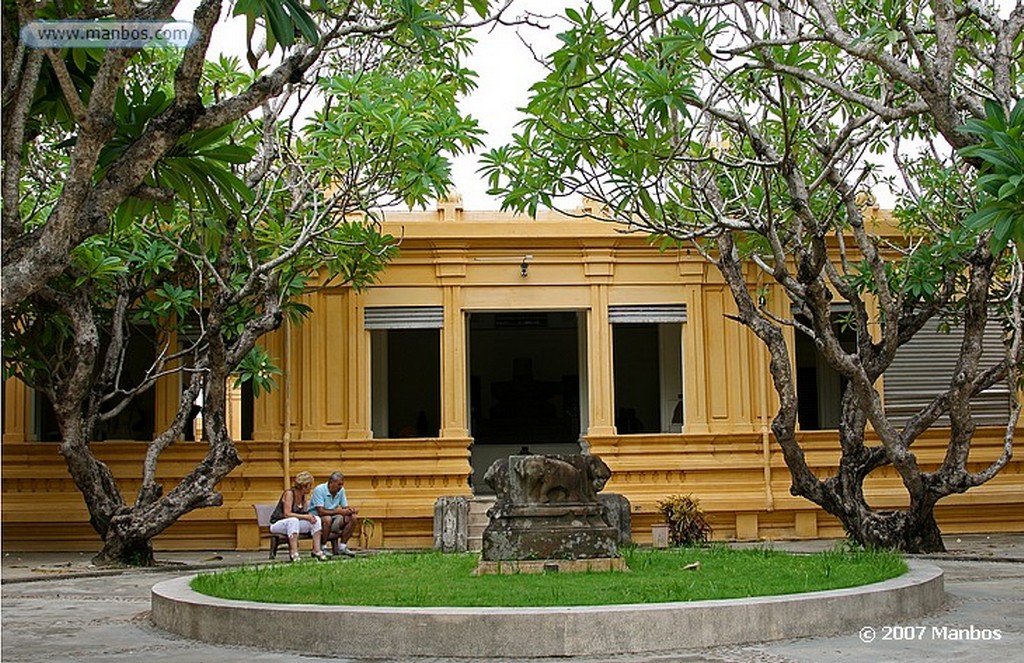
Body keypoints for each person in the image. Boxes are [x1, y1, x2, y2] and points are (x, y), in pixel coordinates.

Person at [269, 471, 328, 562]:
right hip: (278, 523)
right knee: (293, 520)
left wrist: (310, 517)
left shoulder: (303, 496)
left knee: (316, 519)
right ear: (303, 486)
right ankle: (294, 553)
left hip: (293, 525)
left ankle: (317, 550)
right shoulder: (289, 494)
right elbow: (287, 514)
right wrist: (305, 517)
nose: (310, 488)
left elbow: (304, 513)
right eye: (309, 486)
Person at [309, 470, 359, 557]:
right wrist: (339, 511)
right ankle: (323, 547)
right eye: (339, 484)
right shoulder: (319, 490)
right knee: (327, 519)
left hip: (334, 517)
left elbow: (344, 507)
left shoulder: (341, 491)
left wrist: (350, 510)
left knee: (353, 517)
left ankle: (342, 547)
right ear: (331, 482)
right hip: (316, 519)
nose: (341, 487)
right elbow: (320, 511)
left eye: (342, 484)